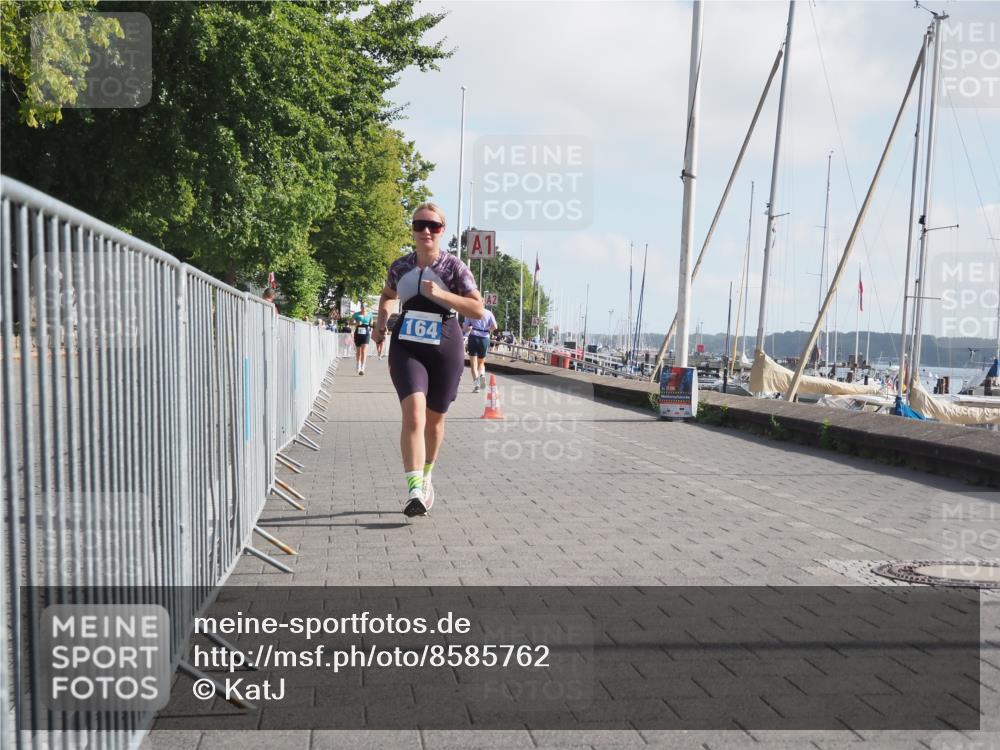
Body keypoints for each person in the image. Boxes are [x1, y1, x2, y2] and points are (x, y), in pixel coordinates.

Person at [372, 202, 483, 518]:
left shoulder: (454, 268)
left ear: (442, 230)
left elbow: (477, 309)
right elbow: (388, 295)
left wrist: (441, 295)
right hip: (407, 345)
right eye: (419, 224)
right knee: (414, 415)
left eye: (433, 226)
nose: (426, 231)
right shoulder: (401, 266)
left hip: (445, 344)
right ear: (412, 229)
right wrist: (381, 323)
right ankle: (414, 491)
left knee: (434, 420)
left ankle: (427, 475)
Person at [463, 308, 497, 393]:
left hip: (473, 337)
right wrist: (487, 330)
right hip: (484, 338)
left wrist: (469, 328)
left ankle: (477, 386)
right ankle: (482, 377)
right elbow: (495, 326)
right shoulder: (489, 313)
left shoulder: (470, 311)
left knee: (473, 364)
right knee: (481, 363)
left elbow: (465, 328)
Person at [352, 303, 373, 375]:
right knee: (359, 351)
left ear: (367, 307)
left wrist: (372, 325)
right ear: (360, 308)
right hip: (358, 333)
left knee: (364, 351)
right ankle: (358, 364)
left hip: (366, 333)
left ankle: (362, 368)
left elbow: (371, 323)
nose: (363, 308)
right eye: (362, 307)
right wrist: (356, 323)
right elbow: (350, 322)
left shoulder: (370, 314)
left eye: (365, 307)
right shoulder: (356, 314)